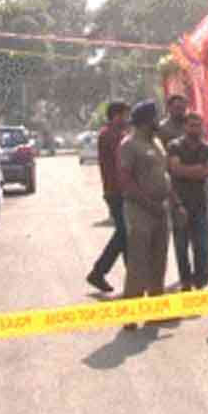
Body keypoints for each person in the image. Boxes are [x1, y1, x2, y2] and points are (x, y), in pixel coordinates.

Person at [117, 101, 180, 330]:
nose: (159, 121)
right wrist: (148, 204)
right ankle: (130, 315)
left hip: (160, 211)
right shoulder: (129, 144)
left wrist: (176, 203)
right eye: (155, 117)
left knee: (159, 261)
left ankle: (155, 311)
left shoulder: (156, 142)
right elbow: (125, 181)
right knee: (138, 264)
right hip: (139, 212)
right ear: (146, 121)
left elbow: (164, 176)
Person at [167, 112, 208, 291]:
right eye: (191, 125)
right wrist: (197, 169)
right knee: (181, 247)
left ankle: (200, 281)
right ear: (185, 127)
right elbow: (175, 169)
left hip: (201, 204)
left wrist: (186, 170)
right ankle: (185, 282)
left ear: (202, 127)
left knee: (202, 247)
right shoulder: (174, 146)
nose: (194, 129)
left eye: (198, 125)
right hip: (179, 203)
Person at [87, 101, 130, 293]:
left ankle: (103, 273)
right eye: (124, 115)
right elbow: (123, 160)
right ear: (115, 116)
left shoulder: (116, 134)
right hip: (116, 191)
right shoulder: (110, 135)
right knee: (125, 233)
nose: (127, 119)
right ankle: (99, 272)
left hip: (119, 190)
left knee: (125, 234)